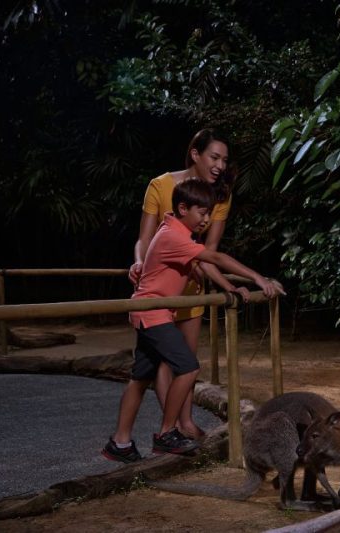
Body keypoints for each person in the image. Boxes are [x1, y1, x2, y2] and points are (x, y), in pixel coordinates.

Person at [103, 177, 284, 462]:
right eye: (203, 212)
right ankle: (166, 434)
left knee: (140, 379)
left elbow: (203, 263)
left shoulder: (176, 232)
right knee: (188, 368)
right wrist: (257, 278)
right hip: (154, 313)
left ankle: (119, 443)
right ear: (183, 208)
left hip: (150, 312)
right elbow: (217, 257)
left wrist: (229, 287)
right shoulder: (173, 236)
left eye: (210, 213)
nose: (207, 219)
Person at [129, 128, 233, 440]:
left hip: (192, 287)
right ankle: (170, 427)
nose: (220, 166)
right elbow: (144, 240)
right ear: (195, 154)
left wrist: (214, 276)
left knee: (185, 360)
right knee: (162, 360)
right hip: (159, 288)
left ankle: (183, 422)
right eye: (215, 157)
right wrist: (138, 262)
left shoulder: (220, 196)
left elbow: (210, 248)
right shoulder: (160, 186)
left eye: (225, 160)